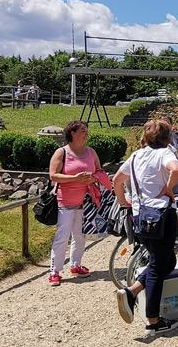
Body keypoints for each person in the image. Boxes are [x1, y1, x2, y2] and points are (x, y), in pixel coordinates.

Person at [113, 120, 178, 336]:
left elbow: (117, 179)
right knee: (156, 267)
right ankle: (153, 322)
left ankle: (132, 292)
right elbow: (177, 170)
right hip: (162, 216)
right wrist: (168, 188)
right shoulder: (165, 154)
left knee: (166, 261)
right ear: (166, 136)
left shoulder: (136, 155)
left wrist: (123, 200)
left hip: (140, 217)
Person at [47, 120, 109, 286]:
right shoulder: (62, 153)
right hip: (65, 201)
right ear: (72, 133)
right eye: (82, 130)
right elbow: (53, 175)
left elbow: (100, 171)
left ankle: (75, 265)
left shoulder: (91, 152)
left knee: (80, 236)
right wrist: (75, 178)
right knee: (62, 236)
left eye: (86, 131)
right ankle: (55, 270)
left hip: (86, 201)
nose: (86, 134)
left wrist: (94, 177)